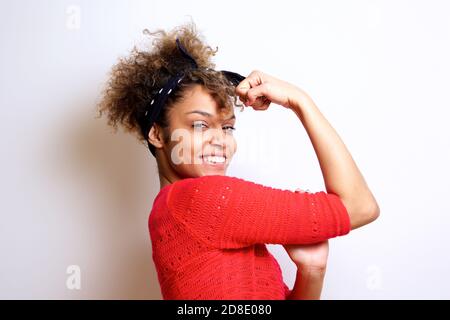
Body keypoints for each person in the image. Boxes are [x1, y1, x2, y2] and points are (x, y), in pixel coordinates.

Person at [97, 22, 380, 300]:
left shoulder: (179, 211)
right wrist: (299, 101)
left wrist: (311, 271)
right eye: (199, 125)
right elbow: (360, 206)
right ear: (157, 134)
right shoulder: (200, 200)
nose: (220, 140)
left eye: (228, 127)